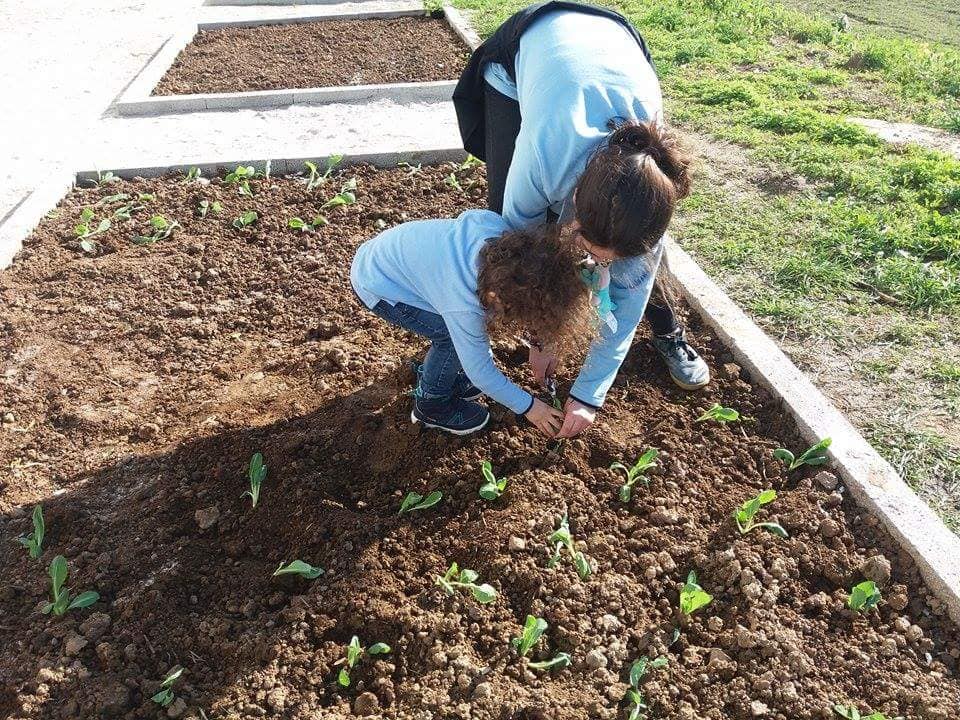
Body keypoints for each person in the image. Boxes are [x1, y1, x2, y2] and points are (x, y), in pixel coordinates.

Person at [453, 0, 710, 439]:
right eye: (592, 252)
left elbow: (627, 300)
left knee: (640, 272)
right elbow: (524, 249)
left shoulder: (651, 190)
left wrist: (590, 392)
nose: (599, 267)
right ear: (574, 202)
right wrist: (542, 337)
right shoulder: (544, 159)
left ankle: (670, 331)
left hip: (616, 46)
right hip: (529, 53)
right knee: (510, 237)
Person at [350, 209, 591, 436]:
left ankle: (445, 376)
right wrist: (531, 408)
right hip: (379, 286)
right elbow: (481, 374)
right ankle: (431, 405)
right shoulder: (462, 304)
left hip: (387, 256)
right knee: (450, 340)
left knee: (464, 340)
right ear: (494, 297)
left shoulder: (503, 241)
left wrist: (541, 344)